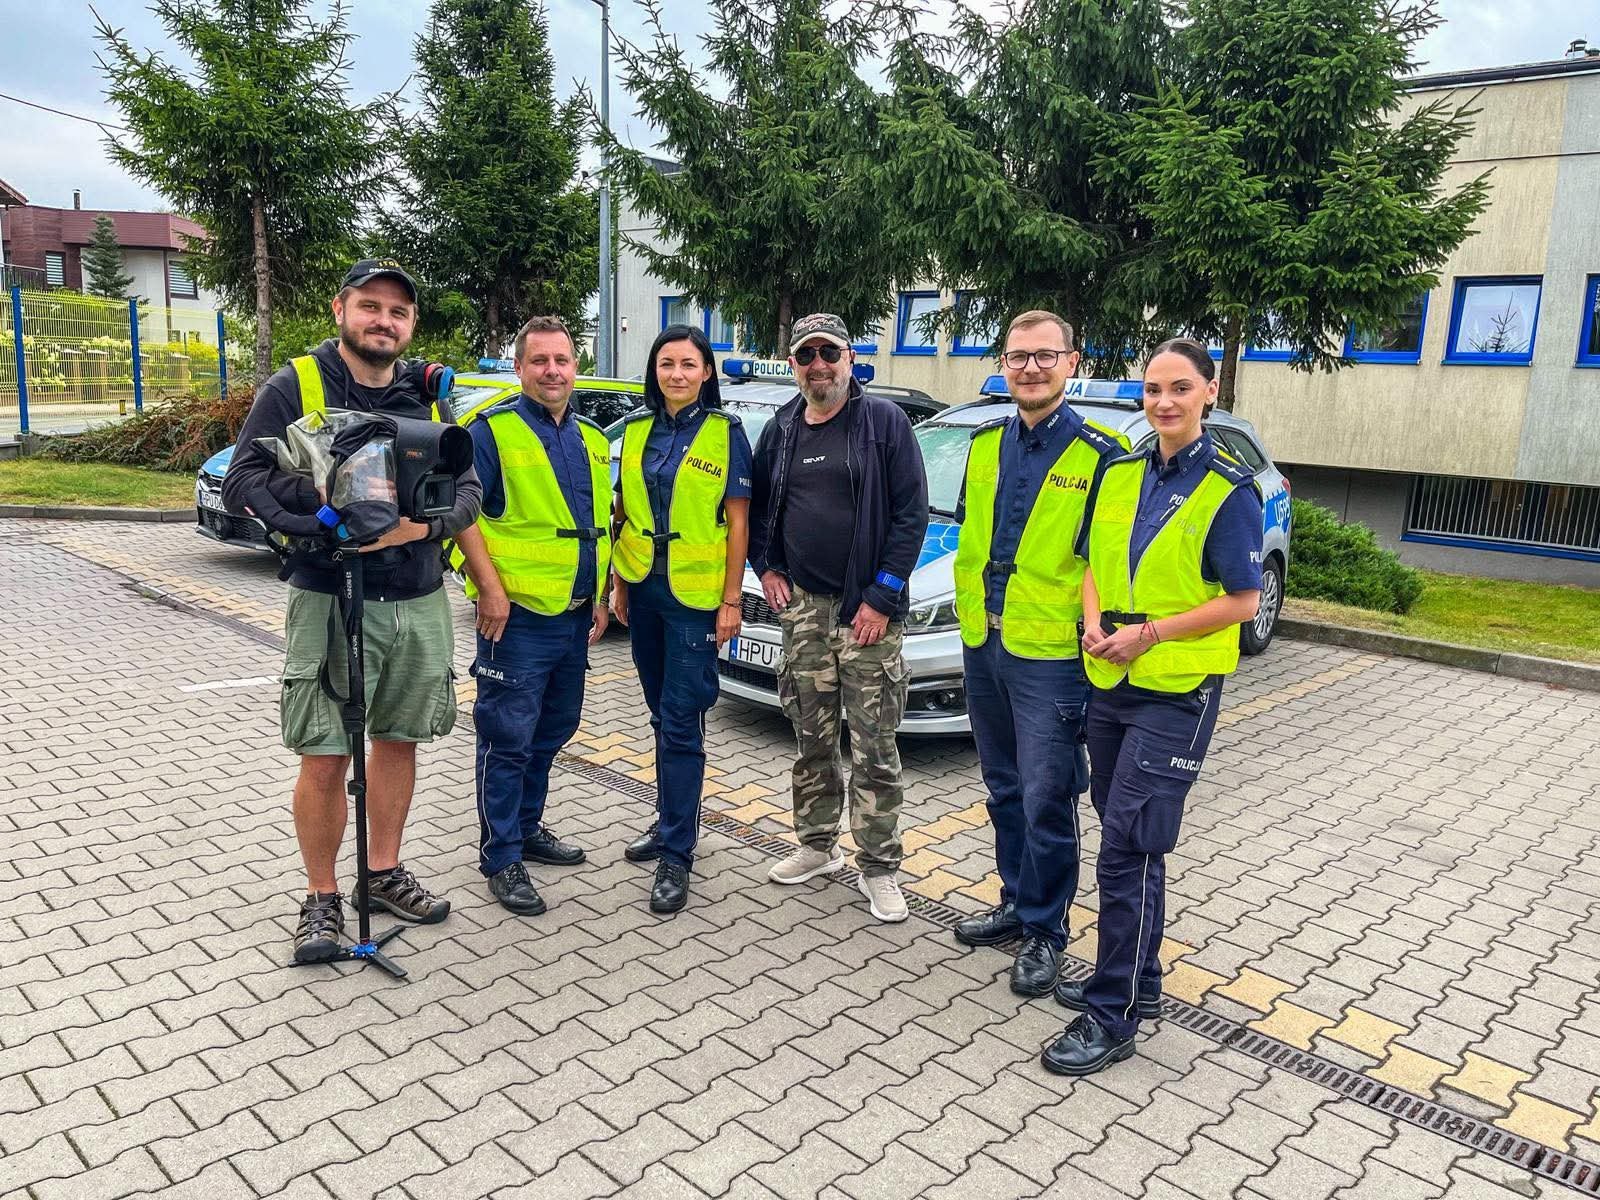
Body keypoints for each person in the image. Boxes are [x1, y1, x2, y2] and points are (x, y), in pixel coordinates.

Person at [221, 258, 483, 964]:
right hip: (329, 592)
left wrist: (421, 529)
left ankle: (383, 871)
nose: (383, 321)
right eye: (370, 306)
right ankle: (322, 896)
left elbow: (468, 487)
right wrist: (326, 514)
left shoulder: (428, 395)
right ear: (341, 309)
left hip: (417, 592)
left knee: (399, 739)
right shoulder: (296, 385)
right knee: (326, 750)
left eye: (397, 313)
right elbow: (243, 479)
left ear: (410, 325)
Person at [1042, 338, 1263, 1076]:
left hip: (1176, 691)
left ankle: (1113, 1017)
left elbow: (1243, 599)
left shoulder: (1229, 489)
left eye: (1179, 388)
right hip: (1110, 679)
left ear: (1209, 391)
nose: (1164, 402)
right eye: (1152, 389)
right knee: (1132, 838)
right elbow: (1094, 566)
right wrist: (1094, 623)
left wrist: (1150, 635)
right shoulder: (1121, 472)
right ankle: (1141, 982)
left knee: (1126, 849)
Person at [951, 310, 1129, 996]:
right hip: (983, 639)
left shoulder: (1103, 453)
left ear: (1072, 362)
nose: (1030, 367)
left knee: (1047, 794)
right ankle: (1016, 902)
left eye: (1044, 356)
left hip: (1051, 655)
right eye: (1018, 356)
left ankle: (1048, 932)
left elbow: (1104, 562)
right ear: (1003, 363)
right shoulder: (985, 443)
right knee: (1002, 787)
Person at [748, 312, 929, 923]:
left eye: (830, 353)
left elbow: (911, 516)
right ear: (793, 363)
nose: (818, 365)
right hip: (802, 611)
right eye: (806, 355)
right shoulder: (781, 428)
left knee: (875, 745)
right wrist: (766, 567)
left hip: (866, 615)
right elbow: (761, 508)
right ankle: (816, 845)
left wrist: (880, 597)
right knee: (811, 736)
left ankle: (878, 867)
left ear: (850, 358)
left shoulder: (883, 424)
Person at [451, 315, 611, 916]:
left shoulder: (592, 438)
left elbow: (600, 527)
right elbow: (458, 516)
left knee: (552, 730)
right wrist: (486, 589)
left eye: (562, 360)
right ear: (519, 368)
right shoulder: (490, 433)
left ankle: (529, 827)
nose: (552, 371)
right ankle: (501, 855)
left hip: (573, 618)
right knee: (506, 738)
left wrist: (600, 596)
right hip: (514, 619)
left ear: (576, 366)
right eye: (539, 361)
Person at [610, 324, 753, 913]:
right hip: (643, 589)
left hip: (696, 601)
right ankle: (671, 818)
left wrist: (731, 600)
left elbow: (739, 525)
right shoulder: (638, 429)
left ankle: (677, 852)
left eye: (688, 364)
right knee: (658, 716)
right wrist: (619, 584)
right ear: (655, 370)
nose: (676, 374)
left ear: (706, 373)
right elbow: (623, 511)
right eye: (666, 363)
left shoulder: (726, 433)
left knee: (681, 718)